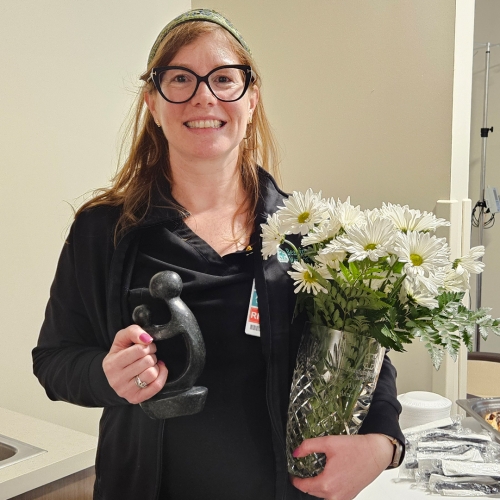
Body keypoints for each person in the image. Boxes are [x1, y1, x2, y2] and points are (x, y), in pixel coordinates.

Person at [33, 9, 404, 500]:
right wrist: (107, 375)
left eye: (224, 78)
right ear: (152, 100)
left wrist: (383, 444)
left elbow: (367, 354)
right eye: (180, 79)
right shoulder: (103, 230)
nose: (204, 95)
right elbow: (55, 361)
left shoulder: (310, 234)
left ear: (252, 97)